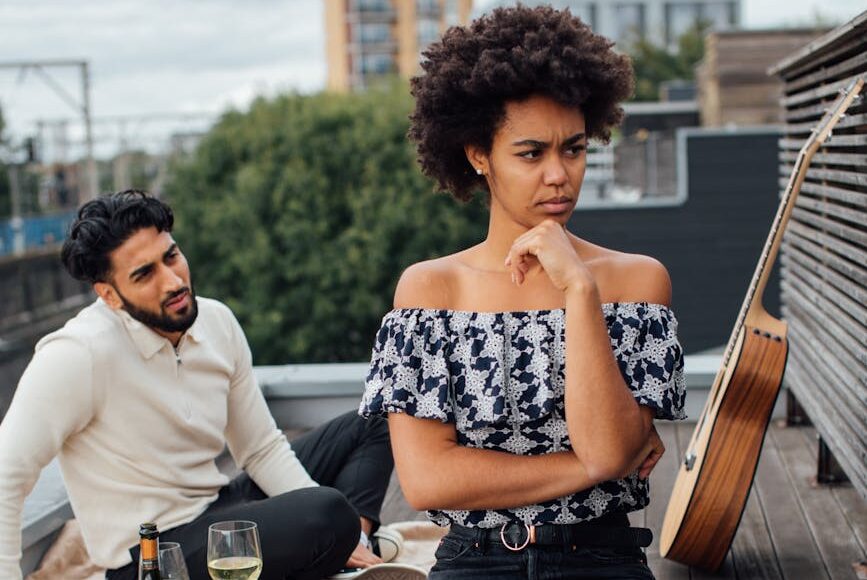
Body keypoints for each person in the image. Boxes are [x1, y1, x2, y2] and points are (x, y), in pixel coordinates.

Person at [360, 6, 686, 580]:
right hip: (473, 561)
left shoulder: (635, 281)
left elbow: (610, 449)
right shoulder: (431, 289)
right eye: (531, 153)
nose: (558, 174)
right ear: (478, 154)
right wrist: (589, 466)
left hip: (603, 557)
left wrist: (579, 290)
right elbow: (428, 480)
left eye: (575, 149)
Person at [0, 190, 395, 580]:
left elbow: (259, 448)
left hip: (219, 510)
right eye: (144, 274)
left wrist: (342, 533)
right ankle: (339, 548)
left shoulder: (217, 321)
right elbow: (7, 473)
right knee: (326, 512)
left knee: (373, 422)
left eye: (171, 256)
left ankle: (351, 552)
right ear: (109, 295)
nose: (172, 281)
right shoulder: (76, 354)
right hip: (150, 556)